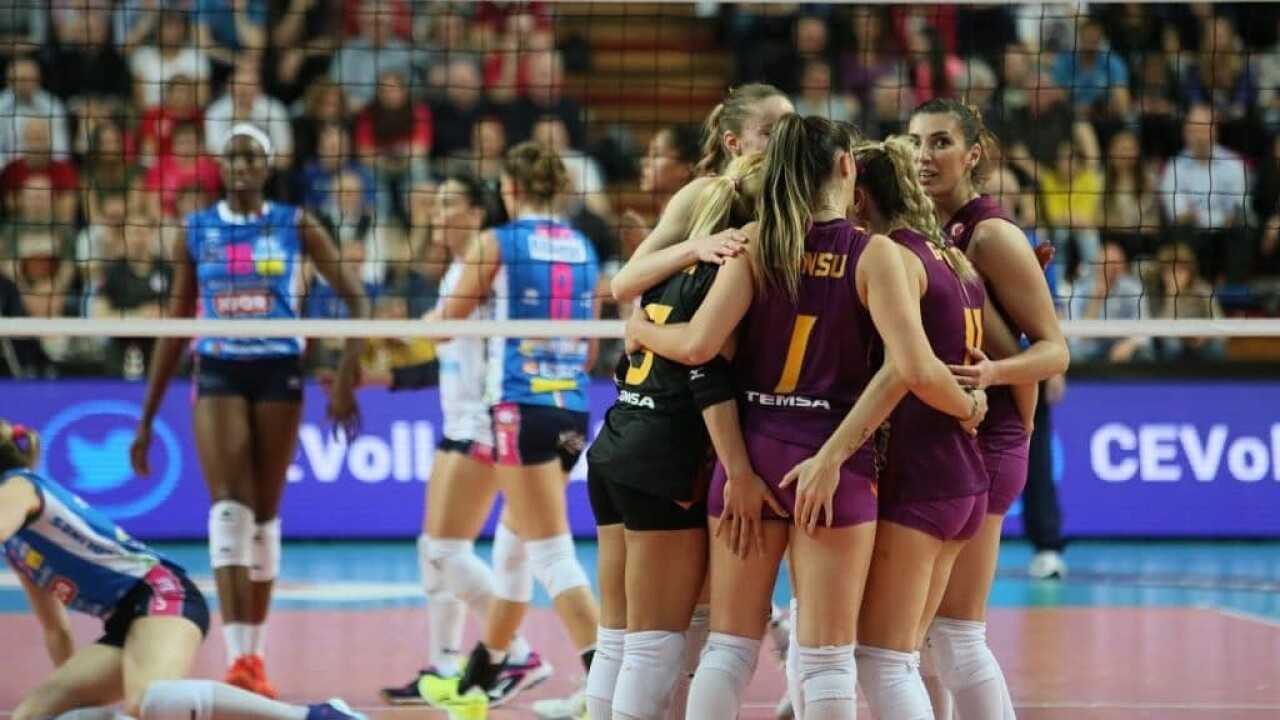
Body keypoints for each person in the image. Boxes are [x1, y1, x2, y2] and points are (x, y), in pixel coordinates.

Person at [627, 114, 983, 718]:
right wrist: (968, 405)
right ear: (846, 166)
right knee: (827, 660)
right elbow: (911, 368)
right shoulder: (874, 254)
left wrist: (641, 329)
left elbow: (698, 347)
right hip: (832, 465)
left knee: (728, 649)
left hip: (752, 458)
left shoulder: (755, 243)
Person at [130, 123, 369, 698]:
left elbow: (358, 299)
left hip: (279, 368)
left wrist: (345, 377)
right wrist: (146, 418)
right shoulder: (196, 229)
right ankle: (236, 657)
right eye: (232, 157)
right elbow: (176, 323)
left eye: (252, 157)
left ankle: (255, 657)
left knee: (264, 515)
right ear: (220, 165)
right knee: (230, 507)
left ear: (267, 166)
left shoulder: (295, 223)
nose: (241, 166)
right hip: (218, 367)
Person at [0, 419, 366, 720]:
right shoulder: (16, 546)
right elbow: (56, 629)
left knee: (149, 699)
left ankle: (317, 716)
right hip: (123, 621)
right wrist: (74, 699)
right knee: (32, 715)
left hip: (160, 592)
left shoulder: (17, 486)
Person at [583, 151, 772, 720]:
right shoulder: (729, 274)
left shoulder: (667, 271)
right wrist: (738, 468)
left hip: (615, 446)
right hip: (661, 460)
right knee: (654, 647)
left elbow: (631, 353)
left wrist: (640, 330)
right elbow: (704, 371)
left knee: (617, 637)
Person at [907, 98, 1071, 719]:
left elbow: (1054, 350)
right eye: (915, 141)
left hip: (988, 433)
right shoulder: (924, 226)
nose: (925, 155)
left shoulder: (991, 233)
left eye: (941, 142)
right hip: (947, 433)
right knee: (927, 638)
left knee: (955, 634)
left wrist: (996, 375)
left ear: (973, 154)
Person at [427, 141, 602, 714]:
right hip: (572, 416)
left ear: (510, 189)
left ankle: (607, 684)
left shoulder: (497, 243)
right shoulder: (583, 247)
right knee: (512, 550)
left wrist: (409, 325)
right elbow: (590, 351)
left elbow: (446, 325)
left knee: (549, 553)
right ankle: (479, 679)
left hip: (521, 412)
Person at [370, 173, 551, 708]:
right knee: (435, 550)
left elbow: (444, 329)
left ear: (476, 213)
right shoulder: (459, 269)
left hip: (484, 421)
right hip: (460, 419)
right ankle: (442, 665)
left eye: (450, 202)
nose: (437, 210)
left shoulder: (484, 265)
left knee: (444, 550)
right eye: (438, 201)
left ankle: (517, 652)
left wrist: (395, 334)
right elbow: (445, 344)